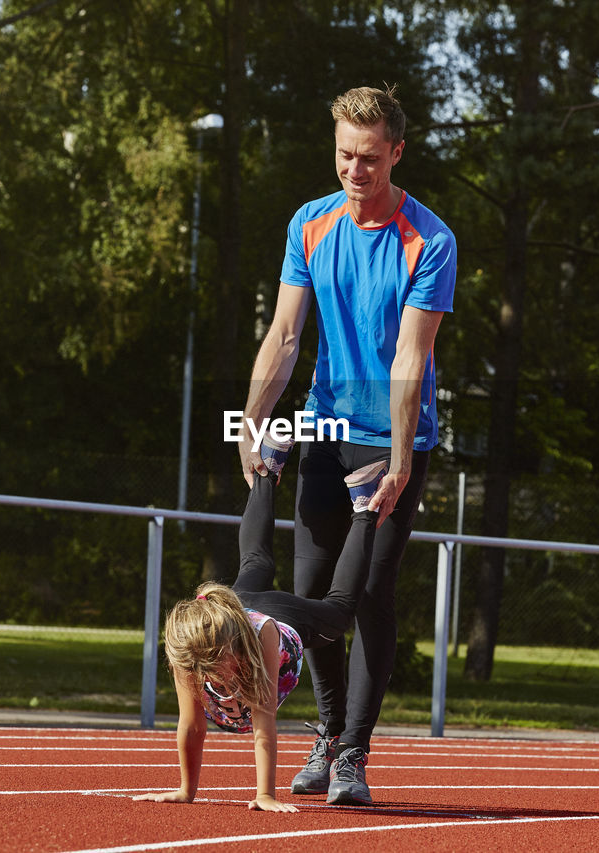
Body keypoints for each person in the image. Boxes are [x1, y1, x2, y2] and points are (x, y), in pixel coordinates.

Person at [236, 84, 457, 806]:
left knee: (366, 595)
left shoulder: (431, 239)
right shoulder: (310, 223)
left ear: (396, 151)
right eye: (343, 156)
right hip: (324, 428)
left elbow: (408, 359)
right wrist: (252, 416)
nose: (354, 170)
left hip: (395, 435)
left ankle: (355, 754)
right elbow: (286, 335)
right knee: (309, 595)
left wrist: (397, 459)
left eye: (368, 157)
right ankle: (327, 735)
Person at [134, 439, 386, 813]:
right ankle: (267, 467)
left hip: (279, 618)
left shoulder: (260, 638)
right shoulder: (190, 651)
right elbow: (192, 726)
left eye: (221, 668)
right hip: (238, 603)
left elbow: (263, 725)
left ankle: (364, 506)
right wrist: (186, 790)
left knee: (340, 611)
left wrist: (264, 795)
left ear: (233, 649)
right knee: (255, 562)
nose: (217, 679)